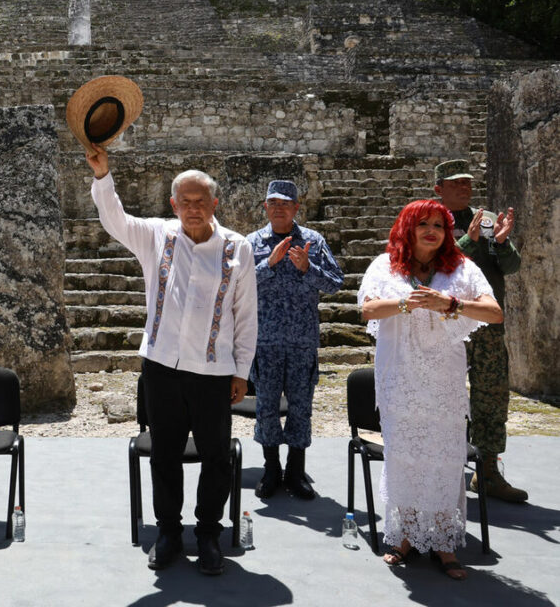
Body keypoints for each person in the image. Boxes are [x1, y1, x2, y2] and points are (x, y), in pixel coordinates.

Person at [87, 145, 256, 576]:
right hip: (161, 367)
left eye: (202, 201)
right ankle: (167, 531)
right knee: (164, 453)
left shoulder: (238, 248)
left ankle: (207, 534)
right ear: (173, 204)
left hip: (214, 373)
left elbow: (246, 314)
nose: (194, 209)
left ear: (215, 204)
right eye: (186, 202)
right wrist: (103, 176)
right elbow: (115, 220)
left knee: (217, 456)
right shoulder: (157, 235)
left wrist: (242, 371)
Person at [359, 199, 503, 581]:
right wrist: (406, 303)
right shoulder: (384, 265)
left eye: (439, 224)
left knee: (444, 458)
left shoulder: (462, 268)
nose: (432, 230)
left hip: (443, 382)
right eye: (423, 223)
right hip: (399, 380)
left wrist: (451, 302)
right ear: (408, 227)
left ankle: (443, 541)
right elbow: (368, 310)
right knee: (403, 456)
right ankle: (404, 536)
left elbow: (494, 312)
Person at [433, 159, 526, 503]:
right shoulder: (429, 220)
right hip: (447, 324)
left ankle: (487, 471)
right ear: (438, 189)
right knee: (442, 395)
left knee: (491, 396)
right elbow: (434, 269)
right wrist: (469, 243)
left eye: (468, 183)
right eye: (457, 183)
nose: (465, 188)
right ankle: (440, 468)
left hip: (485, 325)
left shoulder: (485, 221)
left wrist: (500, 243)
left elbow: (513, 266)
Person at [246, 180, 343, 500]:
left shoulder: (312, 240)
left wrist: (308, 267)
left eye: (285, 204)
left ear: (296, 208)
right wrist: (269, 264)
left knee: (301, 408)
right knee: (267, 408)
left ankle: (296, 471)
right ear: (265, 207)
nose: (278, 208)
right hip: (266, 342)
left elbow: (334, 283)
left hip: (302, 342)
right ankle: (272, 469)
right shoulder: (252, 242)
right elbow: (238, 284)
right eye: (272, 203)